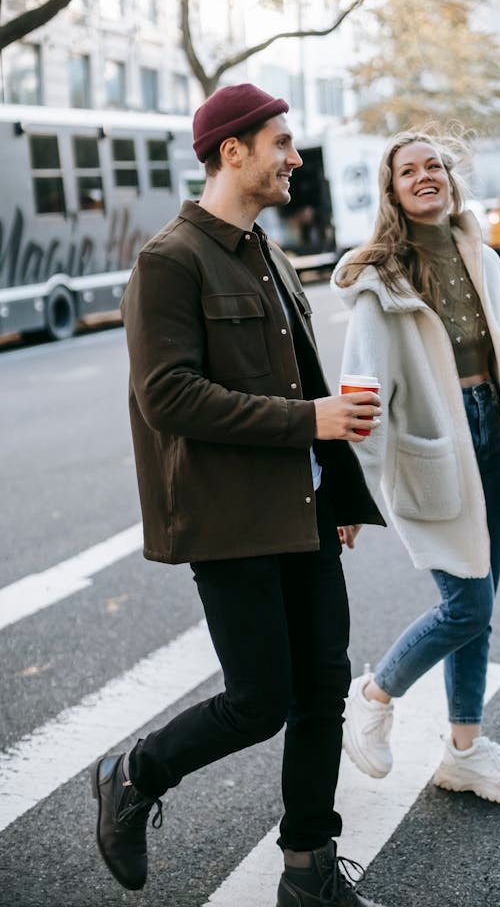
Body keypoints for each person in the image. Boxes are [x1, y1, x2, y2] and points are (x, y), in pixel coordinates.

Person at [91, 83, 389, 907]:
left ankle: (307, 870)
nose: (295, 158)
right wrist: (312, 421)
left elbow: (300, 380)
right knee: (260, 700)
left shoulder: (267, 251)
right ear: (234, 151)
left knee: (322, 687)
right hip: (229, 520)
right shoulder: (168, 261)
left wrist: (334, 493)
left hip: (301, 510)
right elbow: (169, 397)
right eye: (281, 143)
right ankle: (132, 772)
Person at [332, 130, 500, 805]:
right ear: (392, 192)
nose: (425, 175)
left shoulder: (481, 255)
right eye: (409, 171)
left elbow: (495, 344)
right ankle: (373, 697)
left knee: (479, 603)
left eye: (433, 165)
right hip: (435, 448)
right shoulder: (381, 282)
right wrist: (352, 495)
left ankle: (463, 751)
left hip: (493, 435)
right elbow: (362, 391)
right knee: (466, 603)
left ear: (450, 179)